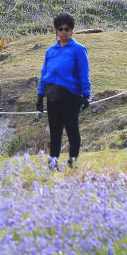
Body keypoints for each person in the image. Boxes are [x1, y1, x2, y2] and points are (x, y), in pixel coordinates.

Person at [36, 13, 91, 169]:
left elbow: (84, 73)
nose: (63, 32)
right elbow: (44, 75)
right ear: (56, 31)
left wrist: (86, 94)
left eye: (67, 29)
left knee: (72, 130)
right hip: (52, 96)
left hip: (71, 95)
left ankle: (72, 161)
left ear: (72, 30)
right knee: (55, 132)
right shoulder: (50, 51)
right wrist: (40, 97)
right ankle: (53, 163)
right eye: (60, 29)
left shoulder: (79, 50)